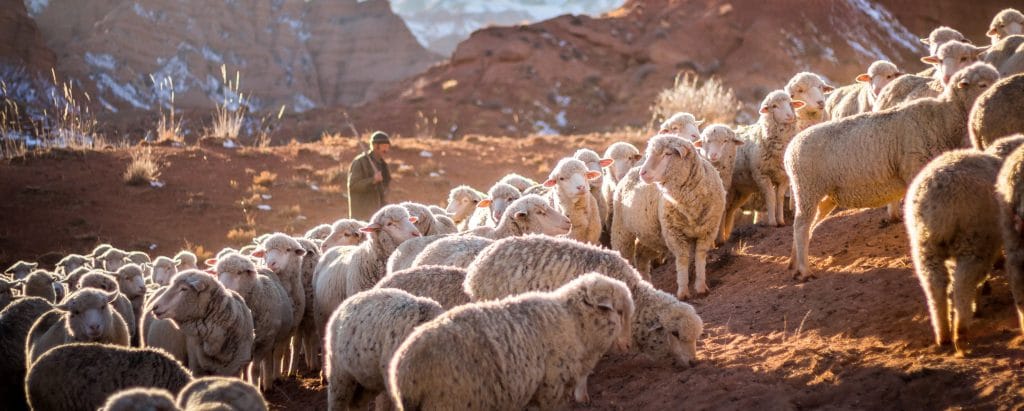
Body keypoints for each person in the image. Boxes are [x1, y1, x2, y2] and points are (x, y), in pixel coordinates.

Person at [347, 131, 392, 220]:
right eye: (384, 146)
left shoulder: (383, 165)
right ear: (375, 146)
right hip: (362, 216)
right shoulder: (360, 162)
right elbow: (353, 186)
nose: (386, 150)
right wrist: (373, 180)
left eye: (388, 147)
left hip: (379, 215)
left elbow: (385, 187)